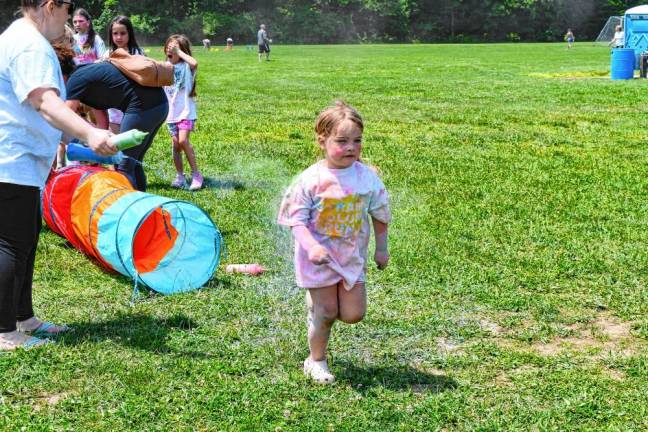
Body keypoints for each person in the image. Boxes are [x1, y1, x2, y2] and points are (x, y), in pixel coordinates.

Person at [0, 0, 115, 351]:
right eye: (67, 11)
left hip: (23, 159)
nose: (68, 20)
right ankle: (4, 332)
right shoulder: (29, 44)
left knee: (26, 239)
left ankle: (24, 317)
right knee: (10, 244)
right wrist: (90, 134)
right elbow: (44, 103)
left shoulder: (24, 39)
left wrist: (66, 134)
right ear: (51, 6)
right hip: (11, 158)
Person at [278, 101, 391, 384]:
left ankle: (317, 305)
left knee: (353, 314)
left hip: (351, 257)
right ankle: (316, 360)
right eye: (342, 141)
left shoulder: (367, 178)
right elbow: (296, 220)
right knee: (326, 314)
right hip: (317, 259)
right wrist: (312, 246)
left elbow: (380, 213)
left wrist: (381, 248)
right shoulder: (311, 180)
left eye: (357, 140)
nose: (351, 147)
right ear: (322, 141)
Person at [65, 61, 168, 192]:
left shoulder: (74, 80)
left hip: (143, 106)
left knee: (123, 164)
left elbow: (66, 116)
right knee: (134, 162)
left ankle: (129, 208)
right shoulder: (84, 75)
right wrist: (98, 144)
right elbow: (102, 122)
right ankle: (142, 206)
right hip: (159, 104)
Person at [164, 34, 203, 191]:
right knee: (176, 144)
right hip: (171, 114)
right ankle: (180, 175)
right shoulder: (164, 67)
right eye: (169, 48)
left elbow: (195, 63)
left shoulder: (187, 67)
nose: (171, 51)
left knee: (183, 141)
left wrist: (179, 52)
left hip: (186, 112)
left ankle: (196, 174)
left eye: (175, 48)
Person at [107, 16, 144, 134]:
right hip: (113, 106)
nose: (118, 37)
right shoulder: (107, 54)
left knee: (131, 145)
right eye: (115, 33)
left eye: (123, 33)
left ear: (129, 33)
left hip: (132, 105)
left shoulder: (137, 53)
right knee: (114, 143)